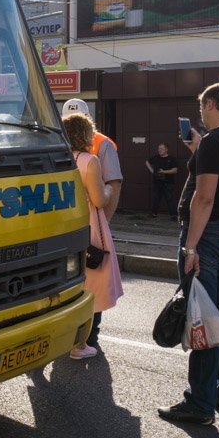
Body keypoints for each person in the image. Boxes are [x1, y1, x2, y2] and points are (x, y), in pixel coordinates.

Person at [158, 82, 219, 426]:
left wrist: (191, 247)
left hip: (207, 235)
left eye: (202, 106)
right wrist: (199, 150)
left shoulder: (214, 142)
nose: (200, 112)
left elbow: (204, 197)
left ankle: (199, 403)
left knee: (200, 317)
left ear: (212, 103)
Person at [62, 112, 123, 360]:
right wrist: (108, 190)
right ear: (86, 134)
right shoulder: (90, 161)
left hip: (63, 226)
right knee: (93, 285)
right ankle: (83, 342)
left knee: (68, 285)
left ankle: (63, 338)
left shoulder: (60, 159)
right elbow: (99, 199)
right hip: (89, 226)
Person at [61, 98, 123, 222]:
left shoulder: (103, 144)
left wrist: (104, 221)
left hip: (89, 216)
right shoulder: (57, 141)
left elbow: (114, 184)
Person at [146, 143, 179, 220]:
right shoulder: (155, 158)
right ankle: (154, 214)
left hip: (168, 182)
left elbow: (175, 170)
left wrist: (163, 172)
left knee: (170, 198)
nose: (159, 150)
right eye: (159, 148)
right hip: (157, 182)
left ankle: (174, 216)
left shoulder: (172, 159)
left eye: (162, 148)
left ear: (166, 149)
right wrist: (152, 171)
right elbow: (147, 162)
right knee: (156, 198)